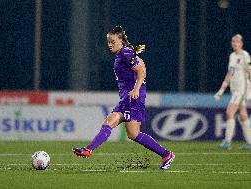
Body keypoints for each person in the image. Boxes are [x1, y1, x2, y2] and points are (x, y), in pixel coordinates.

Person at [72, 26, 175, 170]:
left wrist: (136, 89)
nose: (109, 44)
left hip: (134, 98)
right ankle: (88, 150)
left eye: (112, 42)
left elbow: (142, 70)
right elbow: (141, 64)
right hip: (126, 98)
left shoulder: (125, 53)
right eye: (108, 42)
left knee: (130, 132)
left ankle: (166, 154)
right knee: (112, 124)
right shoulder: (123, 53)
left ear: (121, 41)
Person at [214, 34, 251, 150]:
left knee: (230, 112)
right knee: (243, 115)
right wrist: (221, 91)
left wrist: (249, 91)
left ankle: (227, 142)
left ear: (241, 43)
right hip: (234, 90)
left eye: (237, 42)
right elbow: (230, 74)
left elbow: (250, 73)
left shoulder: (245, 55)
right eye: (233, 41)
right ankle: (250, 142)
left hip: (241, 90)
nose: (235, 43)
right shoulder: (232, 56)